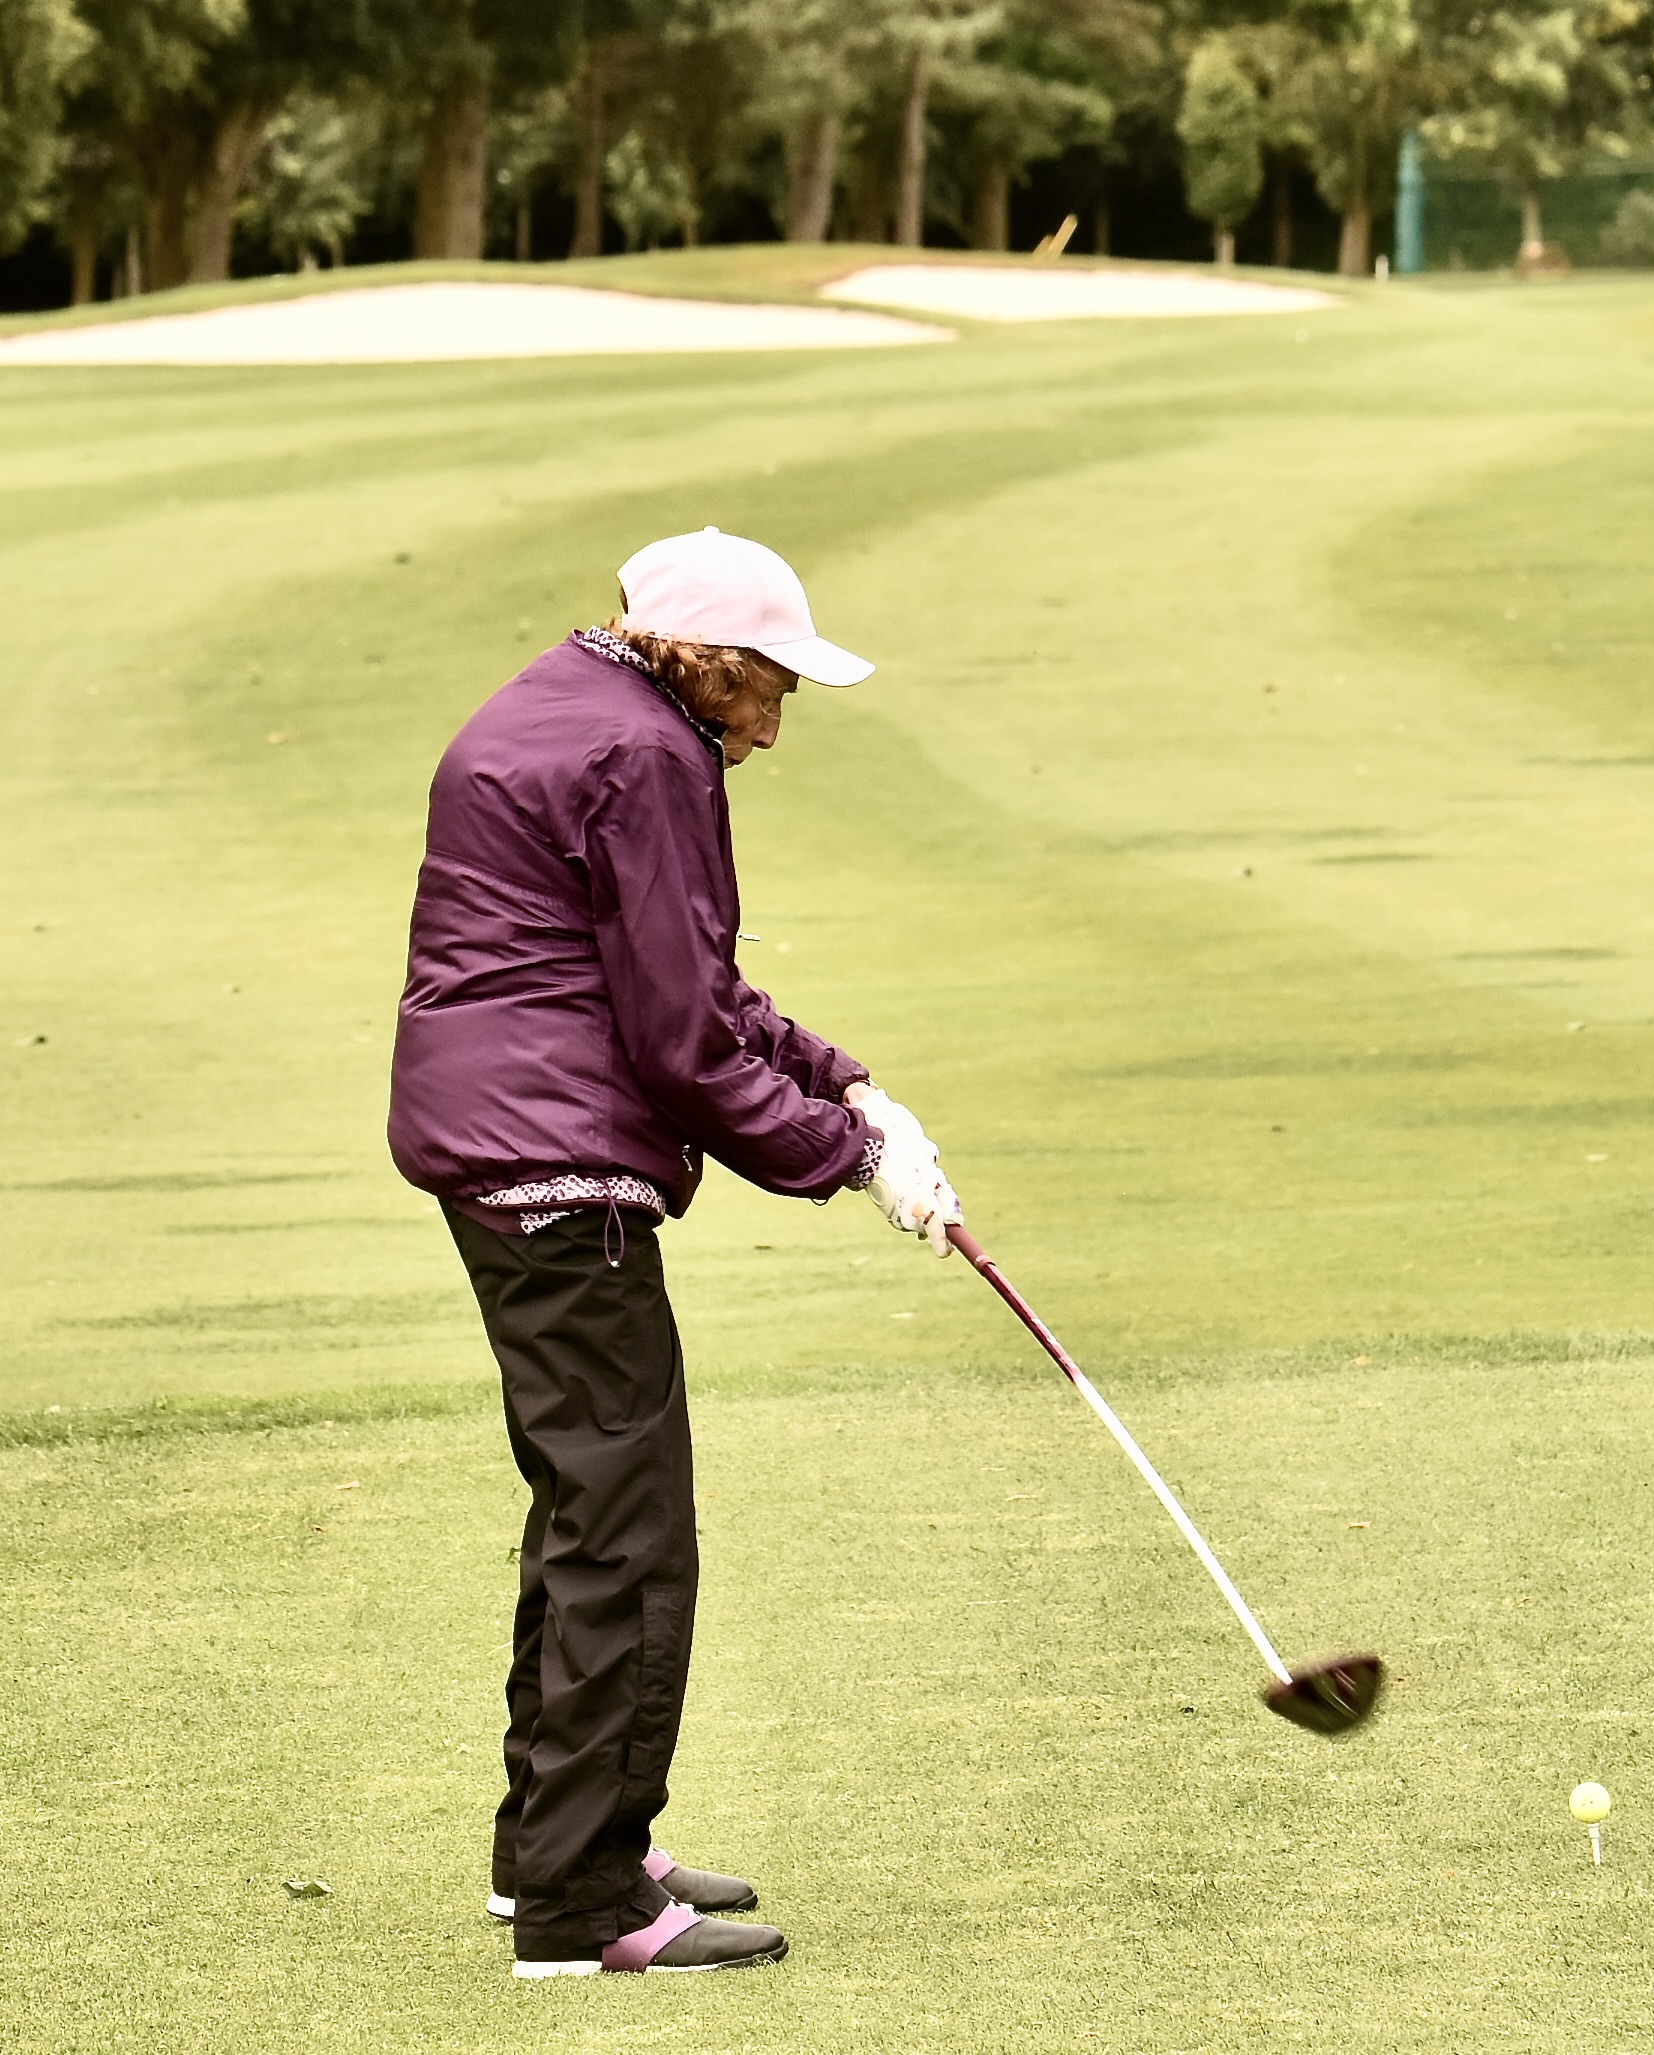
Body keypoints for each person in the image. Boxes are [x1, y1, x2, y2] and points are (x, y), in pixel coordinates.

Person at [387, 526, 959, 1979]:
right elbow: (683, 1043)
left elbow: (685, 979)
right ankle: (583, 1904)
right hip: (554, 1165)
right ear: (703, 660)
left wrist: (848, 1087)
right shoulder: (646, 753)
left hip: (504, 1145)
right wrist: (850, 1163)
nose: (772, 723)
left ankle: (557, 1851)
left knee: (587, 1511)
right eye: (769, 686)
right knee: (628, 1532)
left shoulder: (570, 700)